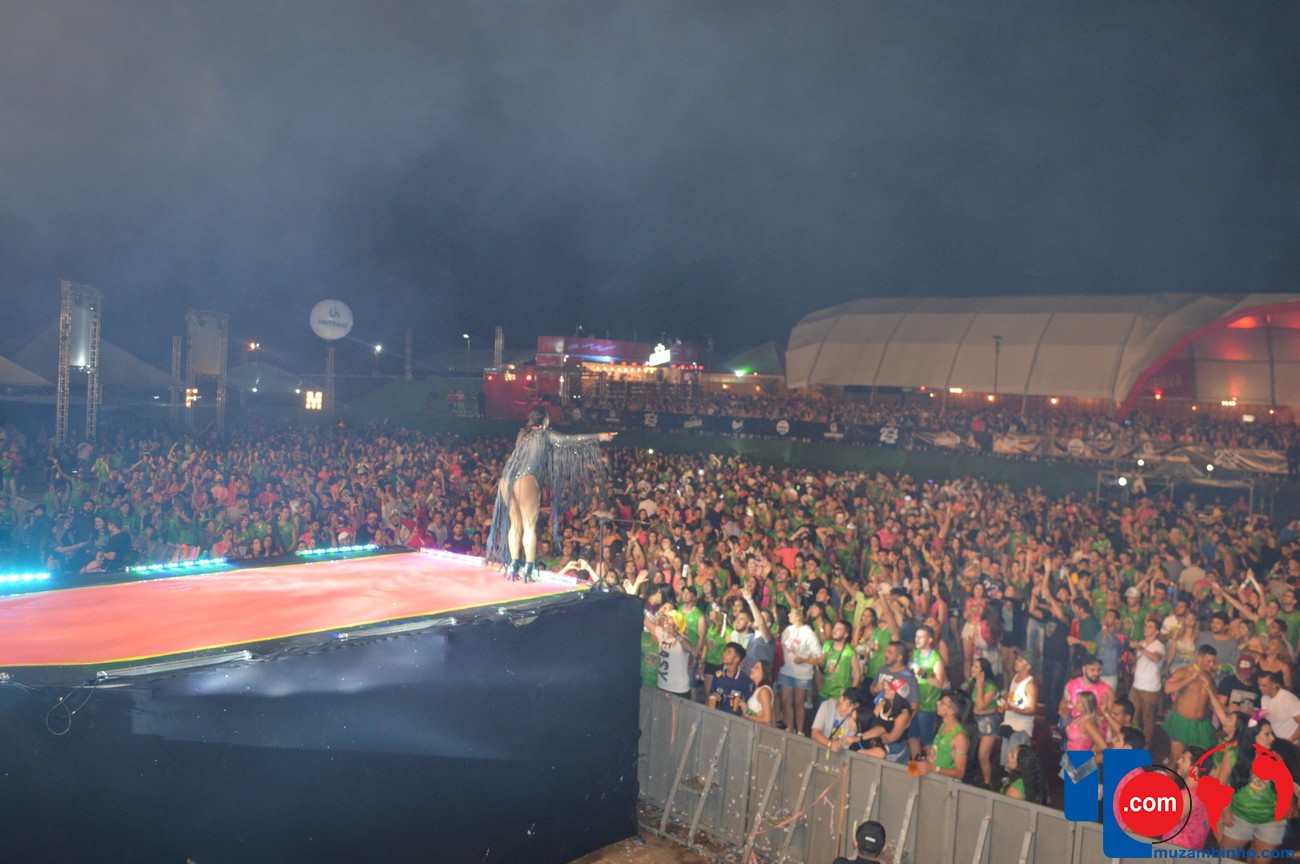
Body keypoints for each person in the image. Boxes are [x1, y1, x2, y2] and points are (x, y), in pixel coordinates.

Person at [485, 407, 614, 582]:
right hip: (526, 479)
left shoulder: (523, 436)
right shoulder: (545, 435)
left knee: (515, 525)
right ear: (545, 420)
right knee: (529, 527)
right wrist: (600, 436)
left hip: (506, 481)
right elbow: (572, 440)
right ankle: (529, 569)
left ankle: (513, 565)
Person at [1214, 718, 1290, 854]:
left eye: (1272, 733)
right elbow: (1221, 783)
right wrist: (1225, 809)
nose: (1272, 738)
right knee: (1226, 858)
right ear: (1253, 736)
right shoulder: (1233, 755)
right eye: (1267, 734)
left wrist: (1285, 811)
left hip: (1270, 821)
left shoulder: (1275, 758)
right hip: (1239, 818)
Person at [779, 605, 823, 736]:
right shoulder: (787, 630)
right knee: (786, 701)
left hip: (802, 674)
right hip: (786, 671)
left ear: (799, 617)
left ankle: (800, 731)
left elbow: (819, 657)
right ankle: (790, 728)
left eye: (791, 614)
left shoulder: (809, 633)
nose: (788, 616)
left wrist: (803, 659)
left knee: (798, 703)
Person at [1128, 617, 1165, 745]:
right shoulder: (1142, 642)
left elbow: (1156, 658)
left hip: (1150, 688)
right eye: (1145, 626)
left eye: (1150, 627)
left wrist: (1140, 648)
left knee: (1147, 718)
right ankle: (1134, 743)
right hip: (1136, 685)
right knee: (1133, 715)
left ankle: (1146, 745)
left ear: (1156, 631)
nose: (1146, 629)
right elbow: (1141, 660)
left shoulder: (1159, 645)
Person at [1000, 649, 1038, 769]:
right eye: (1017, 659)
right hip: (1010, 725)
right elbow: (1014, 697)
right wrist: (1004, 699)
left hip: (1021, 729)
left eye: (1020, 660)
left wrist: (1011, 708)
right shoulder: (1016, 677)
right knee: (1007, 763)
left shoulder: (1030, 684)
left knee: (1016, 765)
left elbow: (1031, 709)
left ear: (1028, 666)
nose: (1016, 662)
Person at [966, 657, 1001, 788]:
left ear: (983, 671)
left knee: (983, 755)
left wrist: (980, 686)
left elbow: (980, 706)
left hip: (988, 723)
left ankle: (987, 783)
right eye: (973, 666)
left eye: (976, 667)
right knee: (971, 752)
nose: (972, 668)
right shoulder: (972, 682)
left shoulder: (991, 687)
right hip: (975, 721)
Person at [854, 687, 912, 763]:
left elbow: (891, 738)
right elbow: (870, 723)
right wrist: (879, 733)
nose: (886, 689)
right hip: (877, 742)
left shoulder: (904, 714)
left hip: (894, 750)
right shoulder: (882, 704)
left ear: (898, 695)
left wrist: (876, 733)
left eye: (891, 689)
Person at [811, 689, 863, 754]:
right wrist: (830, 744)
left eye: (854, 708)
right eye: (848, 705)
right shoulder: (827, 706)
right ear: (841, 699)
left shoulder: (854, 717)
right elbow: (815, 733)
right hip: (818, 750)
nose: (850, 711)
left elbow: (845, 745)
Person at [707, 642, 752, 716]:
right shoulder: (718, 674)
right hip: (717, 715)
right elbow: (710, 694)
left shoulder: (744, 680)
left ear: (737, 659)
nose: (724, 654)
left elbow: (748, 705)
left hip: (735, 718)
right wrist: (714, 695)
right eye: (725, 651)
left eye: (728, 652)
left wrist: (741, 703)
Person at [1258, 671, 1300, 745]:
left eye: (1264, 685)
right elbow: (1263, 715)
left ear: (1274, 685)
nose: (1260, 688)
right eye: (1259, 685)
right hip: (1275, 742)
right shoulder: (1264, 698)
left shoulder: (1288, 699)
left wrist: (1290, 742)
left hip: (1291, 744)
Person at [745, 660, 776, 725]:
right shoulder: (758, 690)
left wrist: (747, 715)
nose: (751, 669)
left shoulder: (763, 691)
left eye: (756, 667)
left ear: (764, 673)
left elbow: (767, 719)